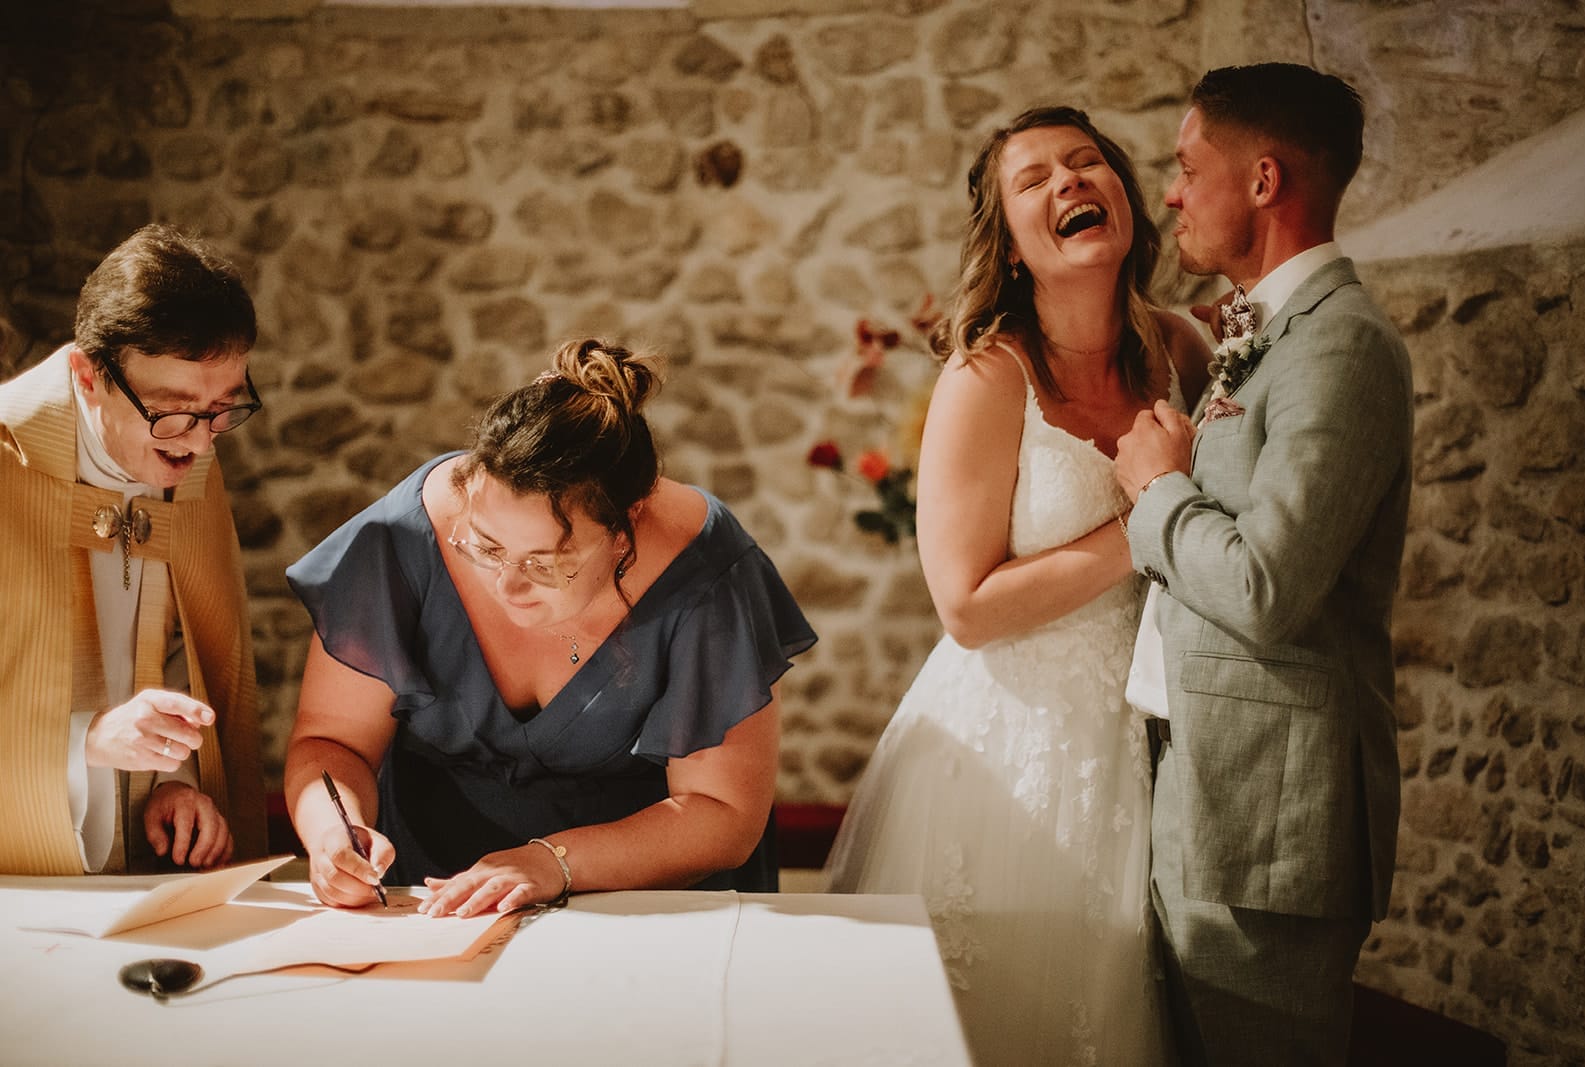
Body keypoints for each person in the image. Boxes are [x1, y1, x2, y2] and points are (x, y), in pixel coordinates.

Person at [822, 106, 1211, 1065]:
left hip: (1151, 735)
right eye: (1034, 179)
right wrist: (1148, 512)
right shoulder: (987, 378)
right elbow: (965, 607)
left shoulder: (1183, 353)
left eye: (1088, 164)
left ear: (1126, 197)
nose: (1070, 182)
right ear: (1011, 246)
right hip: (1006, 750)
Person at [284, 338, 816, 915]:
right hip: (436, 895)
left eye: (546, 562)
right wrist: (330, 830)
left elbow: (721, 813)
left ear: (626, 526)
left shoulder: (706, 573)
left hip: (645, 901)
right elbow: (332, 741)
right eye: (484, 547)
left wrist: (550, 862)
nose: (506, 585)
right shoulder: (401, 540)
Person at [1114, 64, 1411, 1067]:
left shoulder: (1341, 349)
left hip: (1266, 825)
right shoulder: (1268, 334)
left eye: (1187, 166)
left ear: (1263, 180)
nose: (1168, 192)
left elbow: (1265, 585)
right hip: (1203, 782)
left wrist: (1156, 486)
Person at [0, 223, 268, 875]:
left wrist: (174, 776)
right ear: (87, 377)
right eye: (171, 409)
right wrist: (86, 742)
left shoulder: (188, 457)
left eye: (224, 408)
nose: (201, 443)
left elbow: (182, 644)